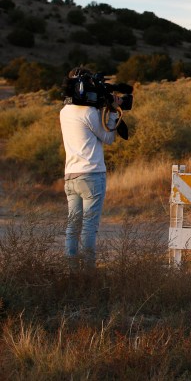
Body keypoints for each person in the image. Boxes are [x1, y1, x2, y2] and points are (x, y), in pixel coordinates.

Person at [59, 68, 124, 271]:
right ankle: (88, 272)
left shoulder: (64, 111)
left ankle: (71, 271)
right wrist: (112, 111)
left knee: (73, 226)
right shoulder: (89, 112)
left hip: (70, 175)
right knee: (89, 227)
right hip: (92, 174)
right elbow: (109, 138)